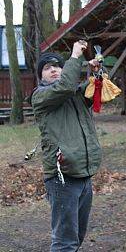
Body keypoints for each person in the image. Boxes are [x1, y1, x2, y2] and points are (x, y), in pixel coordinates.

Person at [31, 40, 102, 251]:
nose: (53, 69)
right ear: (41, 75)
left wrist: (96, 72)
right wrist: (74, 58)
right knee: (64, 242)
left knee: (77, 237)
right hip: (62, 177)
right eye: (47, 67)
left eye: (57, 66)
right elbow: (65, 86)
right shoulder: (41, 97)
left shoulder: (74, 94)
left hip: (83, 173)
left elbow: (94, 89)